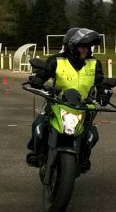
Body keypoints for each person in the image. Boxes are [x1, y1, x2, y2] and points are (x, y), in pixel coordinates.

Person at [26, 27, 105, 170]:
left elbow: (100, 82)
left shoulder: (94, 63)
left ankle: (83, 158)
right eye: (82, 47)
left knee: (92, 135)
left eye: (87, 47)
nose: (85, 50)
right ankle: (37, 153)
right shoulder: (56, 60)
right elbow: (44, 73)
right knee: (38, 124)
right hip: (57, 102)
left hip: (84, 107)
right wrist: (37, 79)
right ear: (71, 46)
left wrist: (103, 93)